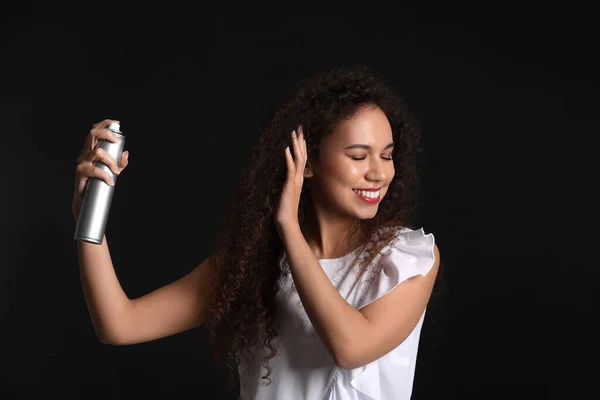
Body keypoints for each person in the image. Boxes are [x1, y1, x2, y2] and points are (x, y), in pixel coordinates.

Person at [72, 65, 441, 400]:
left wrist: (289, 227)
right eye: (359, 157)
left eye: (388, 155)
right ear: (307, 161)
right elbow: (119, 324)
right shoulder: (252, 264)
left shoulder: (405, 261)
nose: (379, 173)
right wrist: (87, 217)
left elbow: (351, 347)